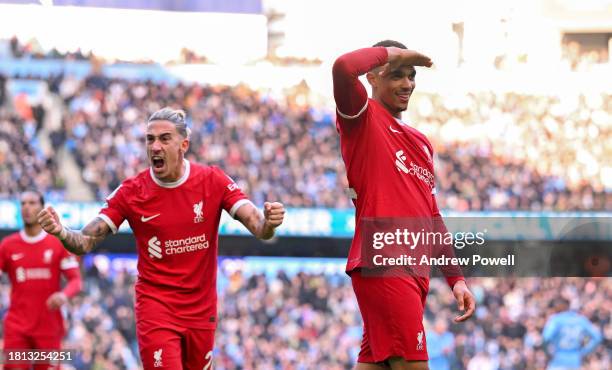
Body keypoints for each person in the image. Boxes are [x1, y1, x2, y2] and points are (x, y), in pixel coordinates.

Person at [37, 107, 285, 370]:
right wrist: (61, 232)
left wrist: (269, 223)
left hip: (201, 312)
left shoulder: (213, 180)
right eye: (150, 139)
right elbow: (85, 241)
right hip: (156, 309)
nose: (155, 146)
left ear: (183, 145)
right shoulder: (132, 192)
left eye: (165, 139)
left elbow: (259, 227)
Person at [332, 40, 476, 370]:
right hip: (386, 264)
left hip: (413, 270)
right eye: (397, 74)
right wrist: (398, 54)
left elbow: (432, 216)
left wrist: (456, 279)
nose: (407, 84)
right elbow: (342, 67)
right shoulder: (361, 118)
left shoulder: (422, 143)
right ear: (373, 78)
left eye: (412, 76)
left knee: (376, 364)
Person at [0, 190, 81, 370]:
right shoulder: (7, 245)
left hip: (48, 327)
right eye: (23, 203)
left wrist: (64, 295)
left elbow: (76, 281)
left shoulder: (57, 243)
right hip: (17, 326)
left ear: (42, 208)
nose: (27, 207)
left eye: (32, 203)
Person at [542, 298, 602, 370]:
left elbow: (546, 337)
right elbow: (597, 337)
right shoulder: (581, 320)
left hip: (558, 360)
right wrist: (585, 351)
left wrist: (548, 352)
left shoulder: (556, 320)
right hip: (575, 361)